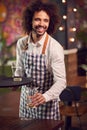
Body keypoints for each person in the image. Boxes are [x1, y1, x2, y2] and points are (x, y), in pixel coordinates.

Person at [15, 0, 66, 120]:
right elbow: (19, 70)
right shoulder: (21, 43)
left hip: (46, 104)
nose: (42, 24)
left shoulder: (54, 47)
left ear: (50, 23)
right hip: (26, 102)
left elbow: (61, 81)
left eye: (46, 20)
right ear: (30, 21)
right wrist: (15, 81)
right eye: (37, 19)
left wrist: (45, 97)